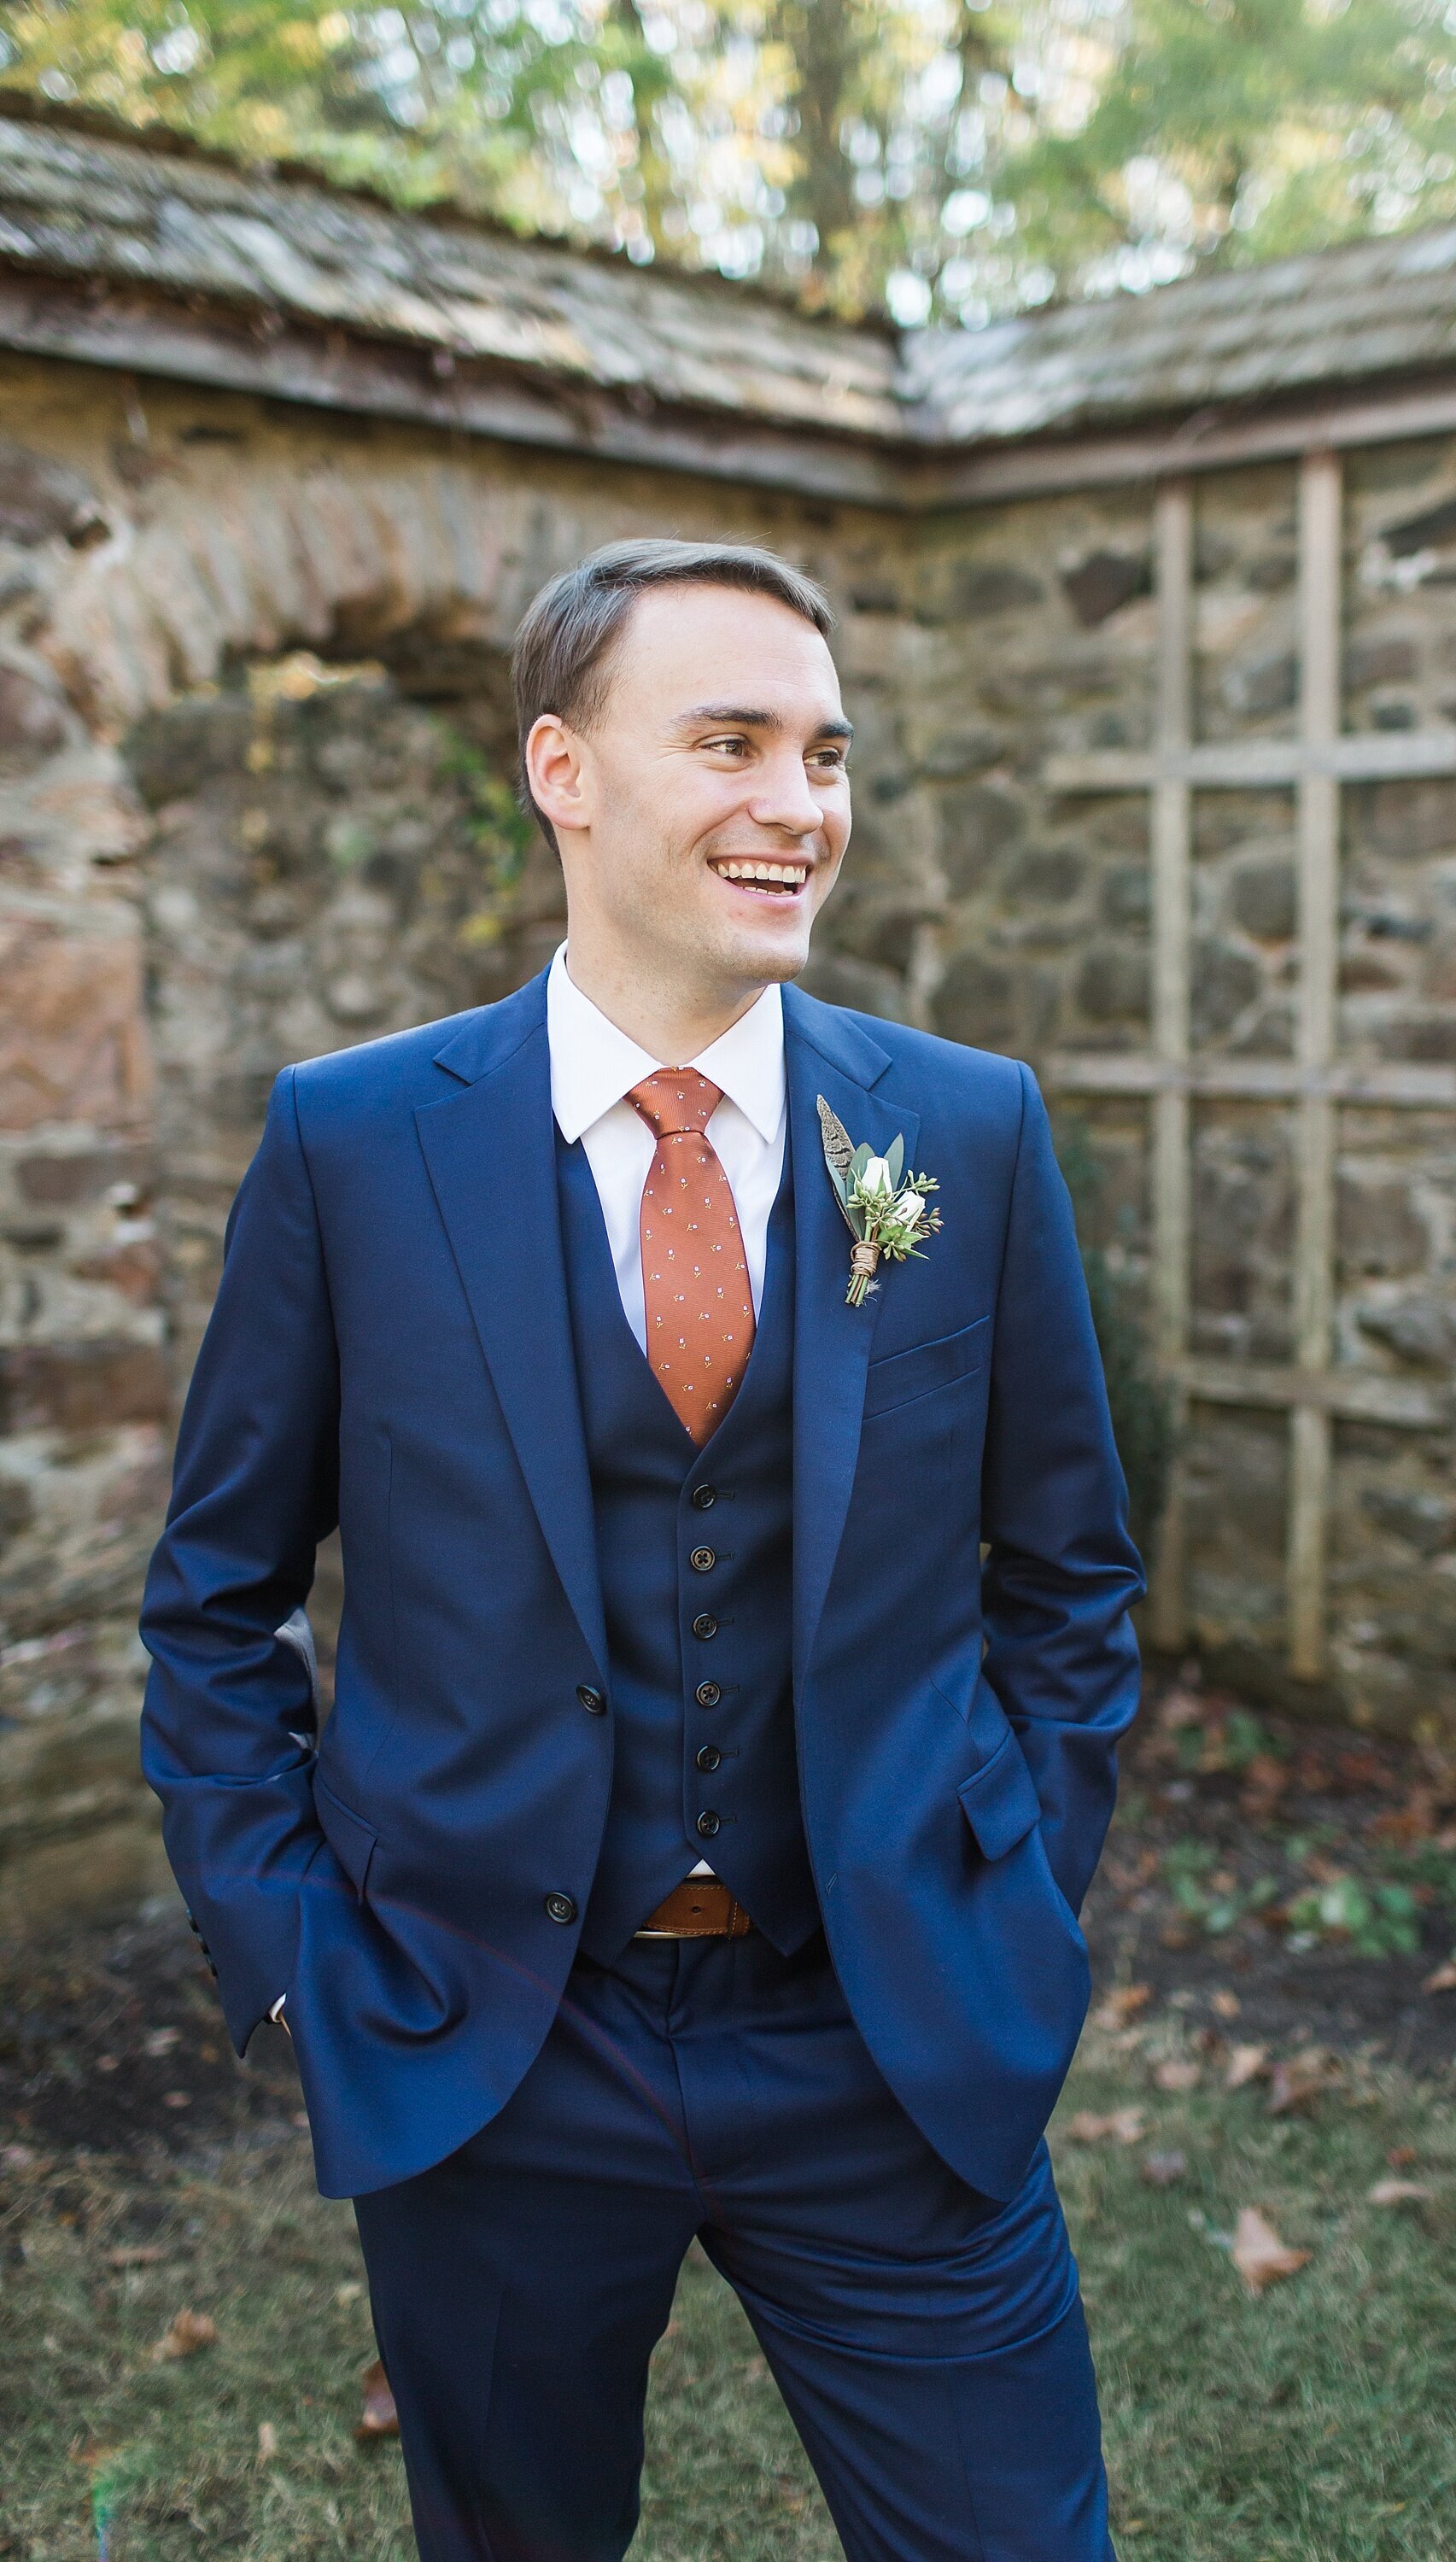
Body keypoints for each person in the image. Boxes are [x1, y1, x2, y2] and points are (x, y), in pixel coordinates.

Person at [141, 537, 1144, 2562]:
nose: (801, 804)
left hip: (881, 2034)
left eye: (828, 754)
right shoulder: (354, 1142)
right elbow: (216, 1595)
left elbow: (1071, 1580)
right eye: (732, 743)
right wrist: (291, 1964)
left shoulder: (961, 1130)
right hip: (489, 2048)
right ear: (562, 771)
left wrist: (1006, 1893)